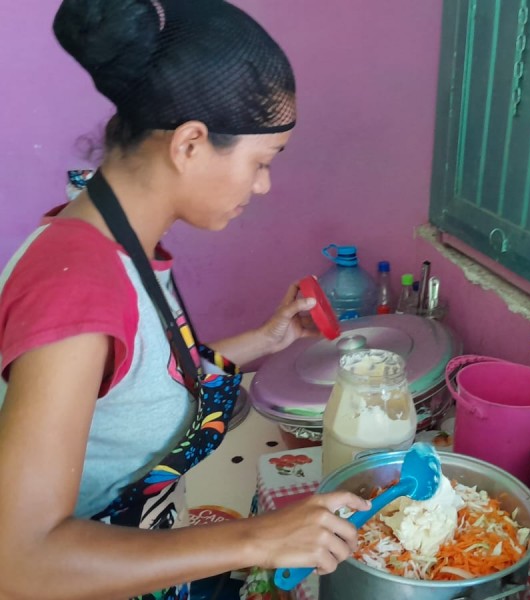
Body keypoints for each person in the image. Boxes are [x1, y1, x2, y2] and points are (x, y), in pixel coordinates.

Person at [0, 1, 370, 598]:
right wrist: (261, 538)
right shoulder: (75, 291)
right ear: (191, 144)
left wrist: (264, 340)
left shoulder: (113, 244)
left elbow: (119, 386)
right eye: (261, 161)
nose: (263, 184)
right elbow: (21, 564)